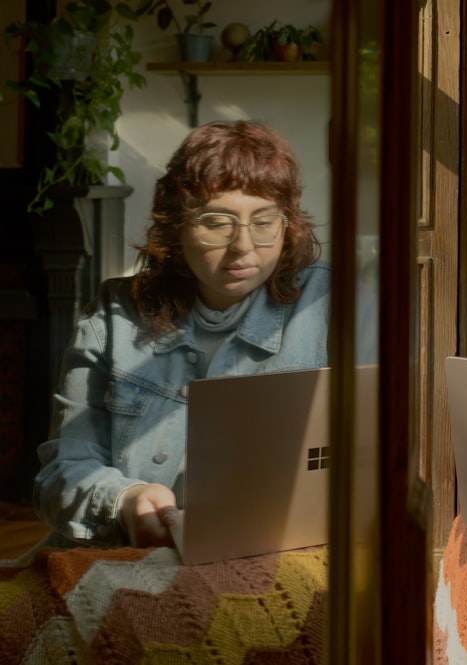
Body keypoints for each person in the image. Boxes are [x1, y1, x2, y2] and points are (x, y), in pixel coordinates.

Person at [33, 120, 329, 550]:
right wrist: (123, 501)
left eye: (265, 221)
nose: (243, 246)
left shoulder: (331, 305)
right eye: (216, 222)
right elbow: (62, 470)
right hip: (125, 555)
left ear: (288, 226)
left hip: (279, 550)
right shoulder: (115, 316)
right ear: (176, 226)